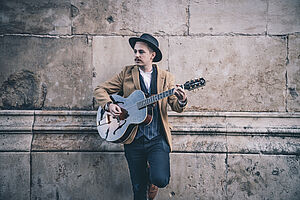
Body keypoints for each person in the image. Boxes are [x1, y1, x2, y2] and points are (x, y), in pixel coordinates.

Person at [94, 33, 187, 200]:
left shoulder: (166, 77)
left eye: (141, 52)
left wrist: (182, 100)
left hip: (157, 137)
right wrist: (109, 105)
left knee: (161, 179)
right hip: (133, 138)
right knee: (138, 188)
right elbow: (100, 90)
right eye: (135, 51)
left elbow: (175, 105)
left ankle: (152, 180)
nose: (136, 55)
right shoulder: (126, 73)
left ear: (152, 55)